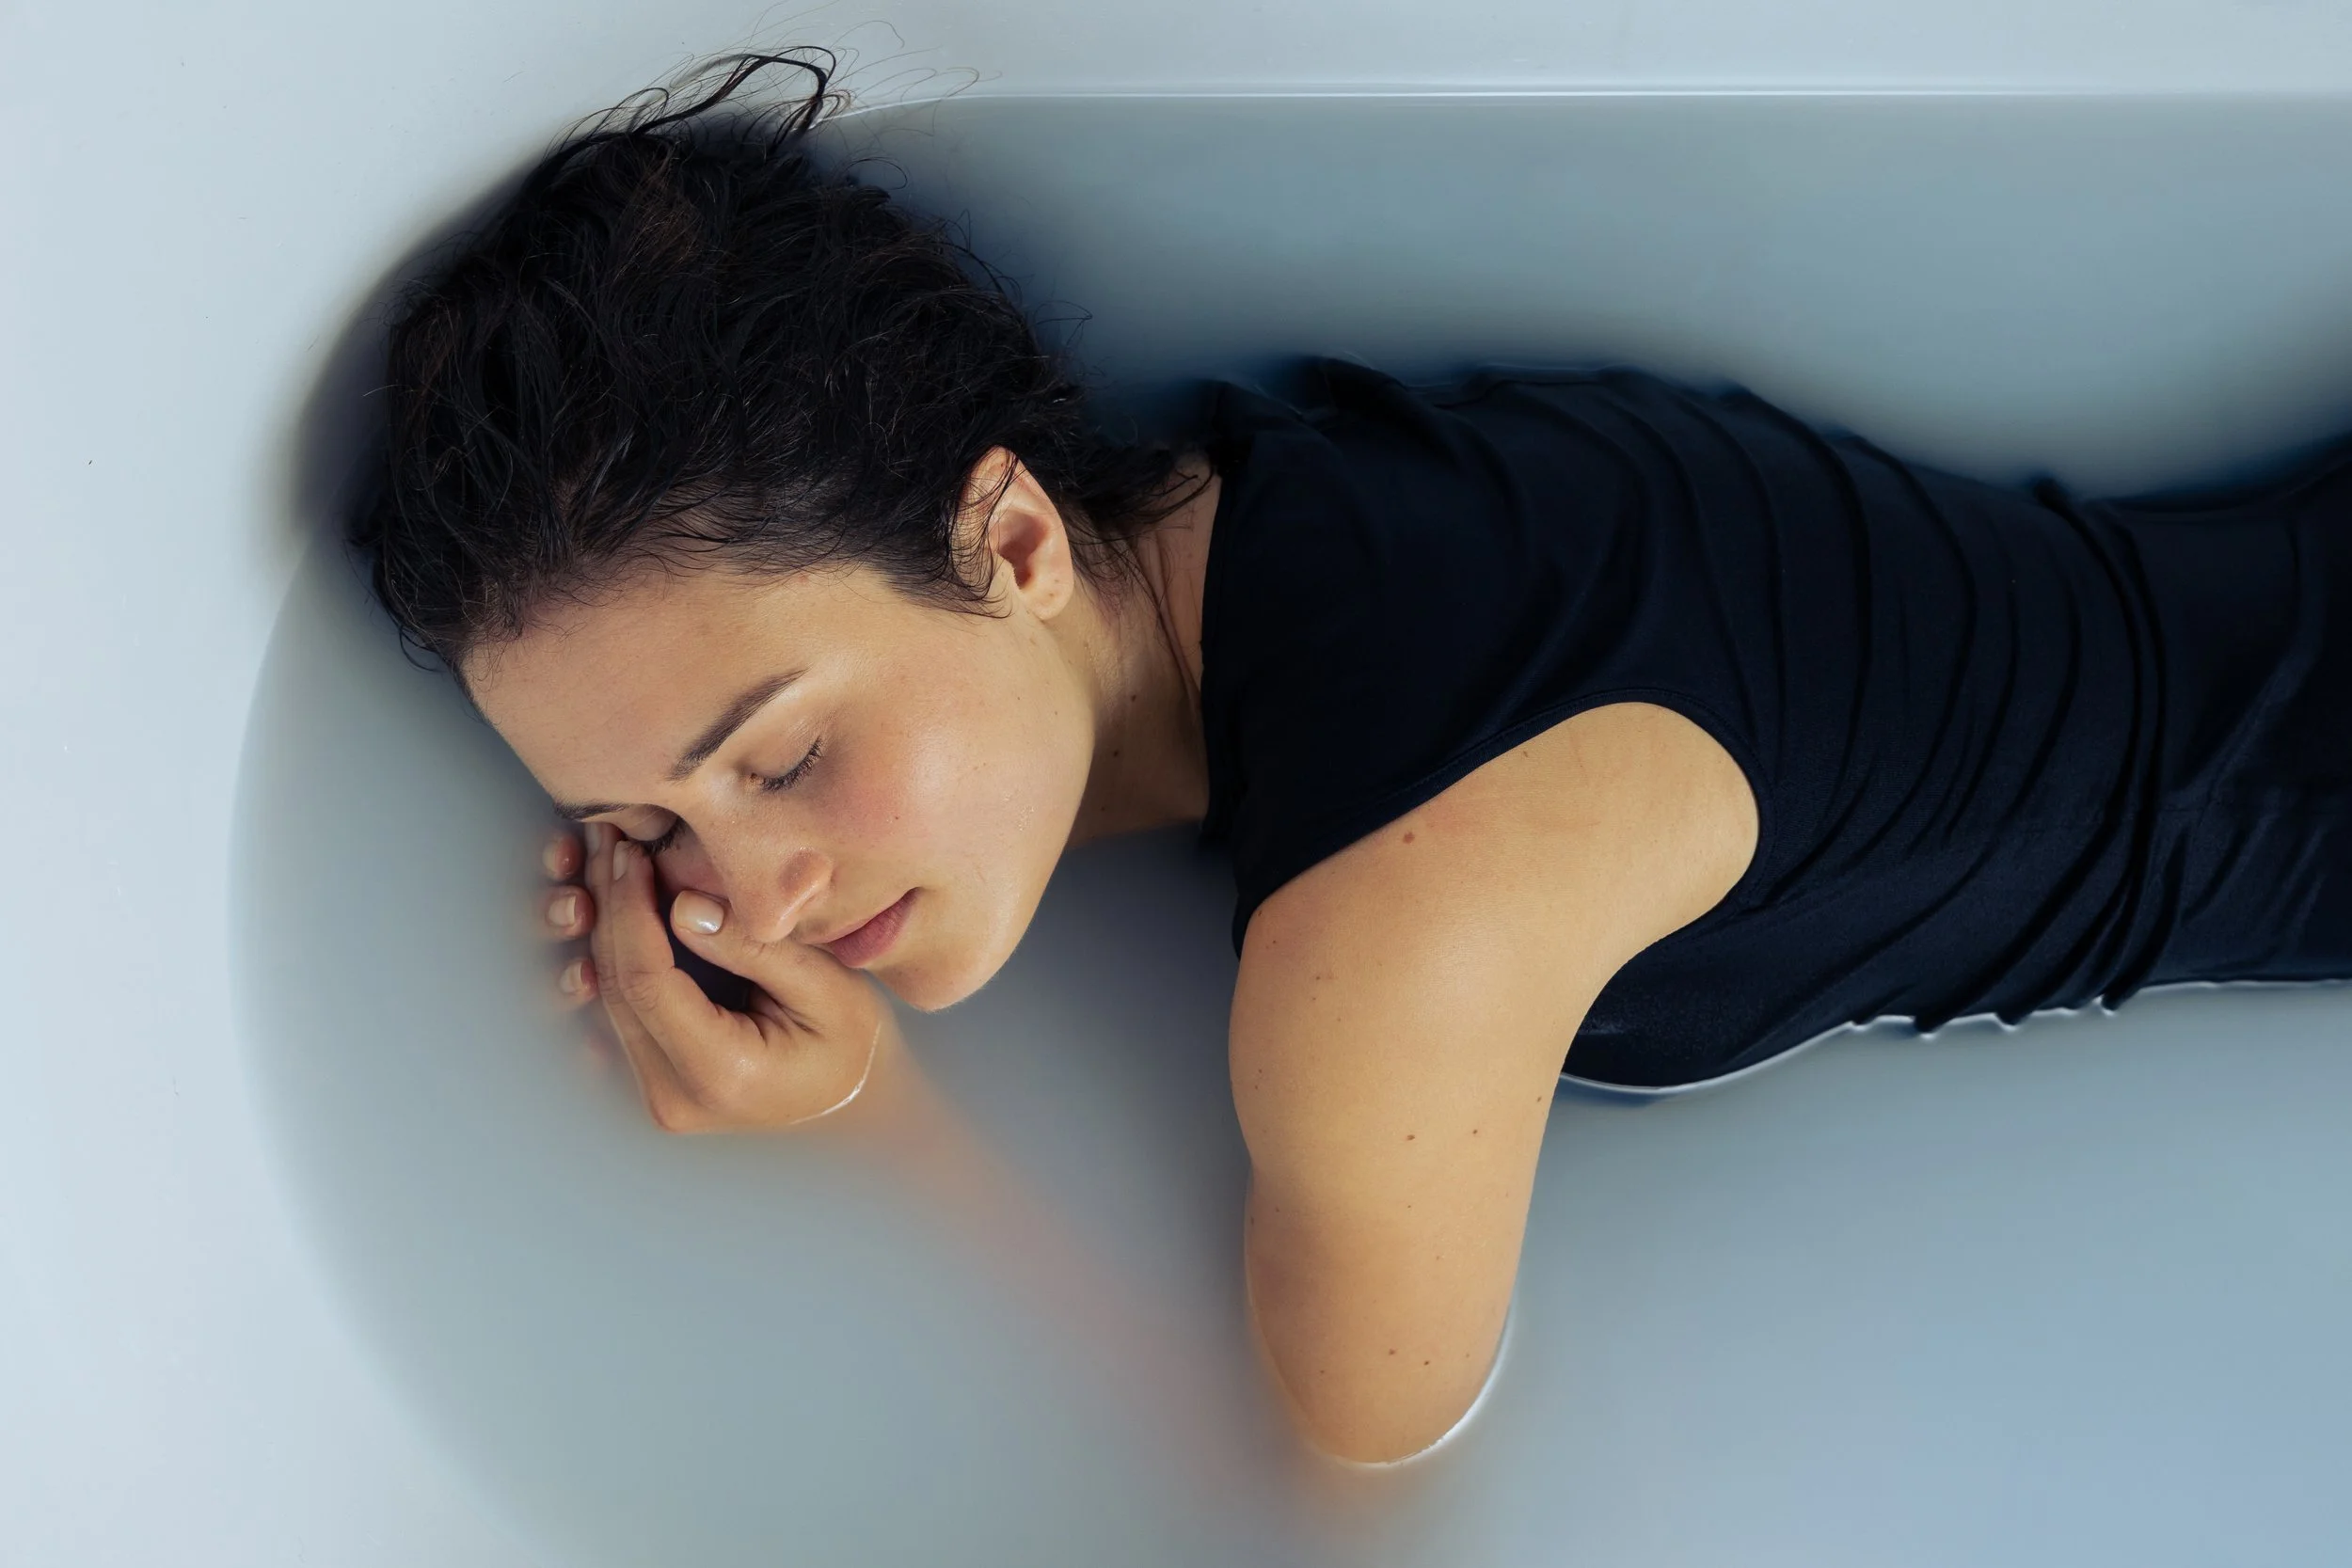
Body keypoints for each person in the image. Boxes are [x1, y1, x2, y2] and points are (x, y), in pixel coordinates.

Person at [351, 53, 2352, 1466]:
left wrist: (880, 1126)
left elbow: (1324, 1486)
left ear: (1016, 537)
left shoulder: (1382, 955)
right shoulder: (1297, 492)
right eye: (641, 826)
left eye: (778, 755)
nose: (734, 901)